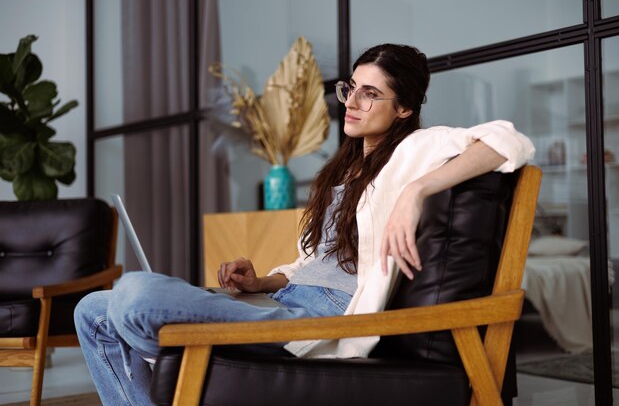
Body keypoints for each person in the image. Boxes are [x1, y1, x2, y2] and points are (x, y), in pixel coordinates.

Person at [74, 43, 535, 405]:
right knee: (91, 309)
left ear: (404, 108)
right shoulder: (343, 169)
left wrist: (416, 192)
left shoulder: (416, 150)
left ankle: (158, 347)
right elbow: (311, 262)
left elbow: (509, 140)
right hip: (282, 302)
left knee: (136, 293)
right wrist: (263, 279)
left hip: (323, 321)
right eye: (350, 88)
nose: (351, 102)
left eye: (370, 94)